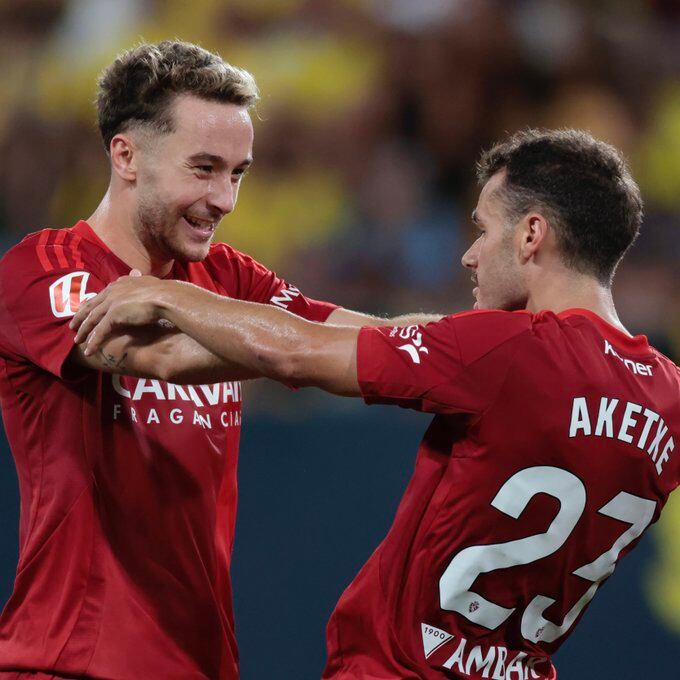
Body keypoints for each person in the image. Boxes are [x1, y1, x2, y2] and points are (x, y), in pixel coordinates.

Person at [73, 128, 679, 680]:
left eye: (484, 228)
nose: (470, 254)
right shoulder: (669, 397)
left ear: (531, 234)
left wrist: (164, 296)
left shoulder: (512, 350)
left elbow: (297, 356)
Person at [0, 41, 439, 680]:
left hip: (202, 663)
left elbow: (368, 337)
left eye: (238, 173)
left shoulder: (226, 276)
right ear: (126, 155)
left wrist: (507, 336)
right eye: (204, 168)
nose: (226, 199)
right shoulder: (43, 269)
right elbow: (161, 354)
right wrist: (268, 340)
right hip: (70, 661)